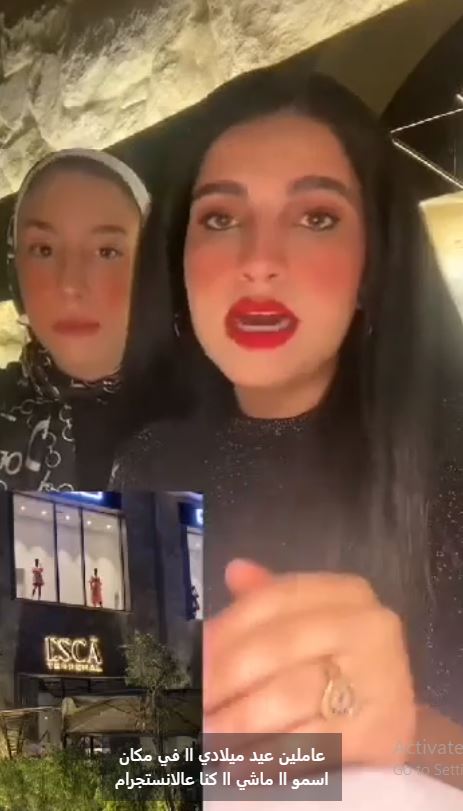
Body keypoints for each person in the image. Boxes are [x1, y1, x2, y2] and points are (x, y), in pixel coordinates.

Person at [112, 71, 463, 776]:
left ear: (373, 262)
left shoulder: (449, 457)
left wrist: (410, 735)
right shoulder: (147, 464)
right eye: (220, 218)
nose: (259, 263)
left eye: (316, 218)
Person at [0, 147, 176, 491]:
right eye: (44, 250)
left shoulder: (228, 419)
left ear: (151, 267)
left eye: (106, 252)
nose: (70, 285)